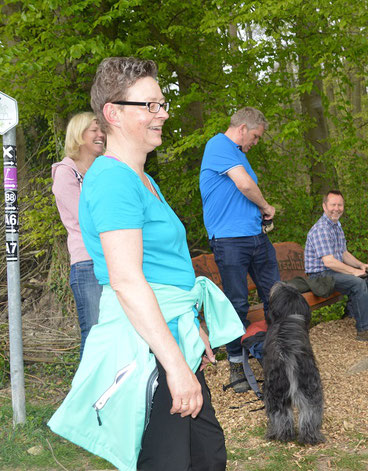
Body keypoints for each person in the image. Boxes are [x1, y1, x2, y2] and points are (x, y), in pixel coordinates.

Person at [48, 57, 243, 471]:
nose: (163, 113)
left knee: (206, 455)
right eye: (150, 105)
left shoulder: (143, 178)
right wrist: (174, 364)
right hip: (146, 348)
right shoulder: (114, 179)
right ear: (113, 113)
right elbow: (126, 279)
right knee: (171, 461)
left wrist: (190, 326)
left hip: (170, 336)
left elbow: (162, 268)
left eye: (162, 103)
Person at [200, 107, 280, 393]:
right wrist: (266, 206)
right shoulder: (218, 145)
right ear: (243, 128)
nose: (255, 143)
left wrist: (259, 217)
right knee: (237, 303)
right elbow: (245, 185)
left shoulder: (239, 154)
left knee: (276, 294)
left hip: (256, 237)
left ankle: (280, 352)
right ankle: (236, 362)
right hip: (229, 241)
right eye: (256, 136)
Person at [304, 190, 368, 343]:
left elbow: (343, 253)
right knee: (358, 283)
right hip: (319, 277)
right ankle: (365, 330)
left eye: (340, 205)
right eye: (333, 205)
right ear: (324, 206)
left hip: (332, 272)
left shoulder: (336, 226)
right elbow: (329, 262)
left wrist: (360, 265)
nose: (336, 208)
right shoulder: (321, 229)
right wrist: (353, 272)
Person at [52, 112, 105, 358]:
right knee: (95, 333)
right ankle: (84, 395)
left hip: (113, 260)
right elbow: (88, 219)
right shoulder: (66, 172)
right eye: (94, 129)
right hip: (87, 264)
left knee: (115, 332)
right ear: (78, 134)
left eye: (101, 129)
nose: (101, 134)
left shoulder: (104, 169)